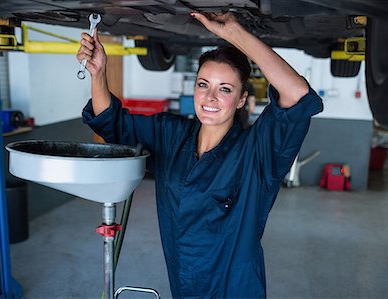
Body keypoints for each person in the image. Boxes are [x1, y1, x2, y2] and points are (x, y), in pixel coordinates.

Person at [77, 11, 323, 298]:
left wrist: (234, 33)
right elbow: (113, 123)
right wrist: (98, 73)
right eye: (203, 85)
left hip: (235, 290)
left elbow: (298, 94)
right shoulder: (171, 135)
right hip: (183, 285)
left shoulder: (257, 153)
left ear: (242, 99)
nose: (210, 98)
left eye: (225, 89)